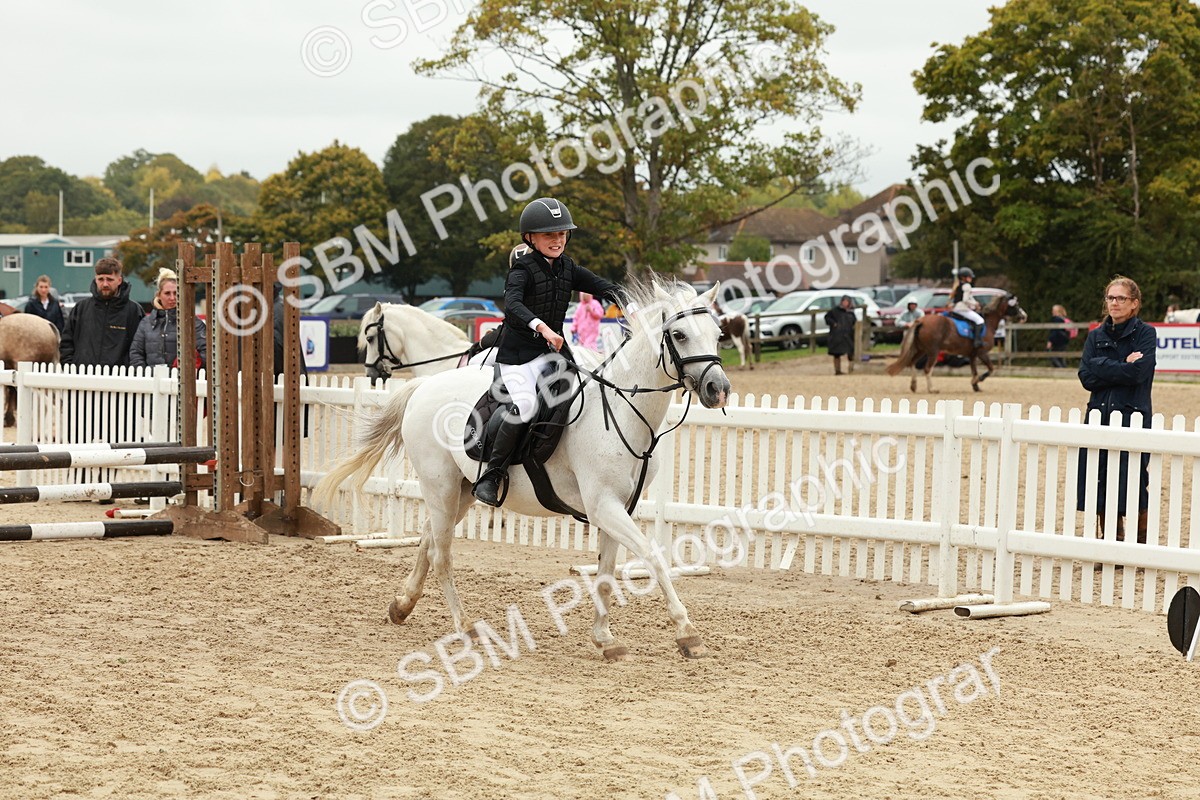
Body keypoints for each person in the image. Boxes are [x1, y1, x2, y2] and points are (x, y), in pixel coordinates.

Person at [472, 196, 624, 506]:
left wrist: (629, 303)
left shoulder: (567, 267)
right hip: (518, 359)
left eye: (562, 234)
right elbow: (513, 305)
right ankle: (492, 475)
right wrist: (542, 328)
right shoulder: (521, 270)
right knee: (526, 405)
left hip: (553, 356)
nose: (557, 240)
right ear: (530, 238)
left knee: (584, 394)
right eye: (549, 235)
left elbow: (601, 285)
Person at [1076, 276, 1155, 544]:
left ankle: (1141, 541)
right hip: (1098, 415)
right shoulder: (1095, 335)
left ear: (1134, 303)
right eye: (1111, 297)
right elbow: (1086, 377)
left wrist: (1102, 366)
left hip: (1132, 415)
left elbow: (1138, 373)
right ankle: (1111, 539)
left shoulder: (1145, 334)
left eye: (1121, 298)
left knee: (1133, 480)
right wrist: (1123, 363)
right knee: (1099, 479)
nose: (1114, 303)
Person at [60, 257, 145, 367]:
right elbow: (66, 343)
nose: (105, 284)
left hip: (120, 376)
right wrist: (70, 367)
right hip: (82, 375)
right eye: (101, 279)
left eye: (110, 279)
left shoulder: (134, 311)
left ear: (119, 280)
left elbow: (140, 348)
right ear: (95, 279)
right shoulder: (80, 308)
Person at [130, 268, 207, 370]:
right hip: (151, 378)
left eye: (176, 293)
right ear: (159, 295)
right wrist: (145, 374)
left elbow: (206, 352)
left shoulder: (193, 323)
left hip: (183, 379)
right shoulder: (146, 323)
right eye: (167, 293)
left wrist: (189, 364)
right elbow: (136, 353)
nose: (172, 298)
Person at [950, 267, 985, 347]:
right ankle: (977, 341)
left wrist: (974, 303)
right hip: (962, 309)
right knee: (980, 320)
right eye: (969, 277)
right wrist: (975, 304)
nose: (971, 278)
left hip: (955, 308)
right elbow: (965, 300)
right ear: (963, 277)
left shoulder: (958, 285)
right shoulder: (967, 286)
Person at [824, 295, 857, 375]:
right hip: (837, 335)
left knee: (851, 352)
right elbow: (827, 318)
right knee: (836, 354)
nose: (845, 303)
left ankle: (852, 369)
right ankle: (837, 370)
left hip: (848, 335)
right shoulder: (835, 311)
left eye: (847, 302)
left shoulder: (850, 312)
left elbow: (854, 322)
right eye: (844, 301)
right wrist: (834, 324)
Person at [1046, 304, 1071, 368]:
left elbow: (1055, 331)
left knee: (1052, 355)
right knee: (1061, 358)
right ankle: (1064, 370)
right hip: (1064, 341)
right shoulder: (1063, 319)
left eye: (1053, 310)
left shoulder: (1056, 319)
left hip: (1057, 341)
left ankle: (1061, 369)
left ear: (1057, 311)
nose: (1052, 311)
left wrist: (1050, 341)